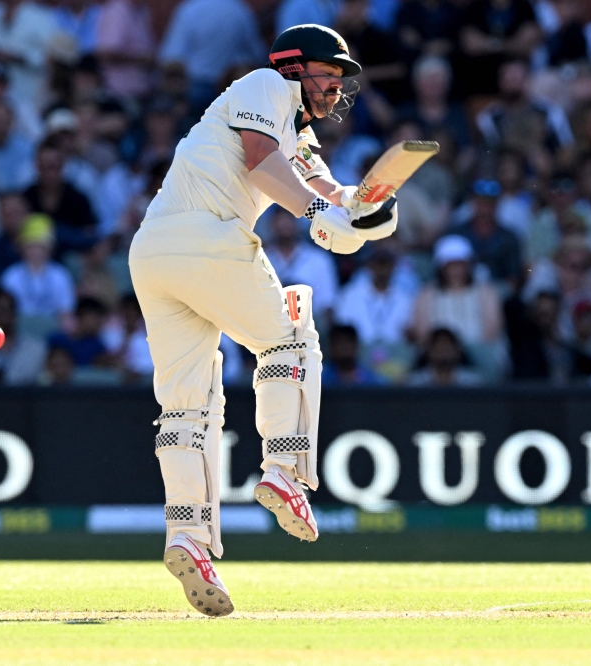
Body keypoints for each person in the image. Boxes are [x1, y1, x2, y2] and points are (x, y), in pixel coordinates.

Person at [129, 25, 397, 615]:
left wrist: (360, 205)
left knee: (187, 408)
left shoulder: (289, 125)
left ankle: (187, 540)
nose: (334, 87)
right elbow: (260, 164)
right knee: (291, 338)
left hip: (153, 255)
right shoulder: (265, 86)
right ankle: (283, 470)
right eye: (327, 74)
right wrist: (322, 213)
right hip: (205, 235)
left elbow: (314, 182)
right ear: (295, 67)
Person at [0, 214, 75, 323]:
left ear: (50, 248)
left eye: (40, 246)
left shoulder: (60, 275)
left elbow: (66, 312)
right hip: (20, 328)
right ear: (21, 247)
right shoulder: (11, 276)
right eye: (31, 246)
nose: (36, 251)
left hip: (52, 329)